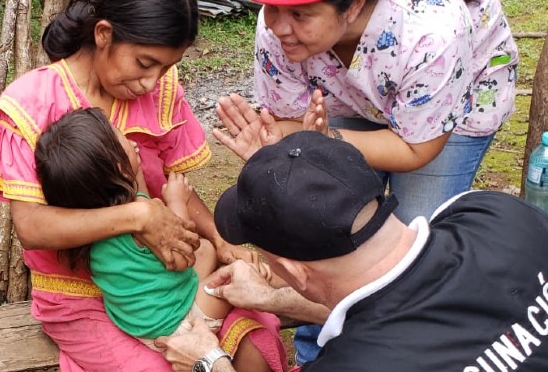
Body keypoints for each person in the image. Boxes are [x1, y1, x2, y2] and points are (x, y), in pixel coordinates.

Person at [0, 0, 287, 370]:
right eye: (144, 63)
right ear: (104, 34)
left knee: (257, 329)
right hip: (78, 296)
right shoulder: (31, 103)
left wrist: (221, 242)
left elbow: (177, 187)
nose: (152, 81)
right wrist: (137, 215)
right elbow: (32, 227)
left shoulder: (161, 92)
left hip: (167, 279)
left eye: (166, 67)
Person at [213, 0, 519, 362]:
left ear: (355, 4)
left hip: (444, 106)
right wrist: (293, 144)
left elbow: (414, 148)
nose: (277, 25)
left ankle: (419, 351)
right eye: (272, 7)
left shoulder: (431, 29)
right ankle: (322, 349)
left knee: (413, 242)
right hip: (346, 100)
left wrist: (324, 142)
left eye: (300, 15)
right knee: (317, 221)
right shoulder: (280, 24)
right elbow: (290, 121)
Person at [155, 130, 548, 371]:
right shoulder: (489, 211)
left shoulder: (352, 363)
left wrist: (210, 363)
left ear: (296, 270)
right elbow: (412, 307)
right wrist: (273, 298)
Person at [34, 107, 269, 356]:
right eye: (123, 139)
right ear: (119, 168)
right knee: (236, 278)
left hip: (142, 324)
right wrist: (177, 201)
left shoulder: (99, 222)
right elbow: (181, 258)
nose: (133, 142)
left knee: (208, 249)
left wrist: (132, 167)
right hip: (176, 323)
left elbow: (138, 188)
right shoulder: (138, 222)